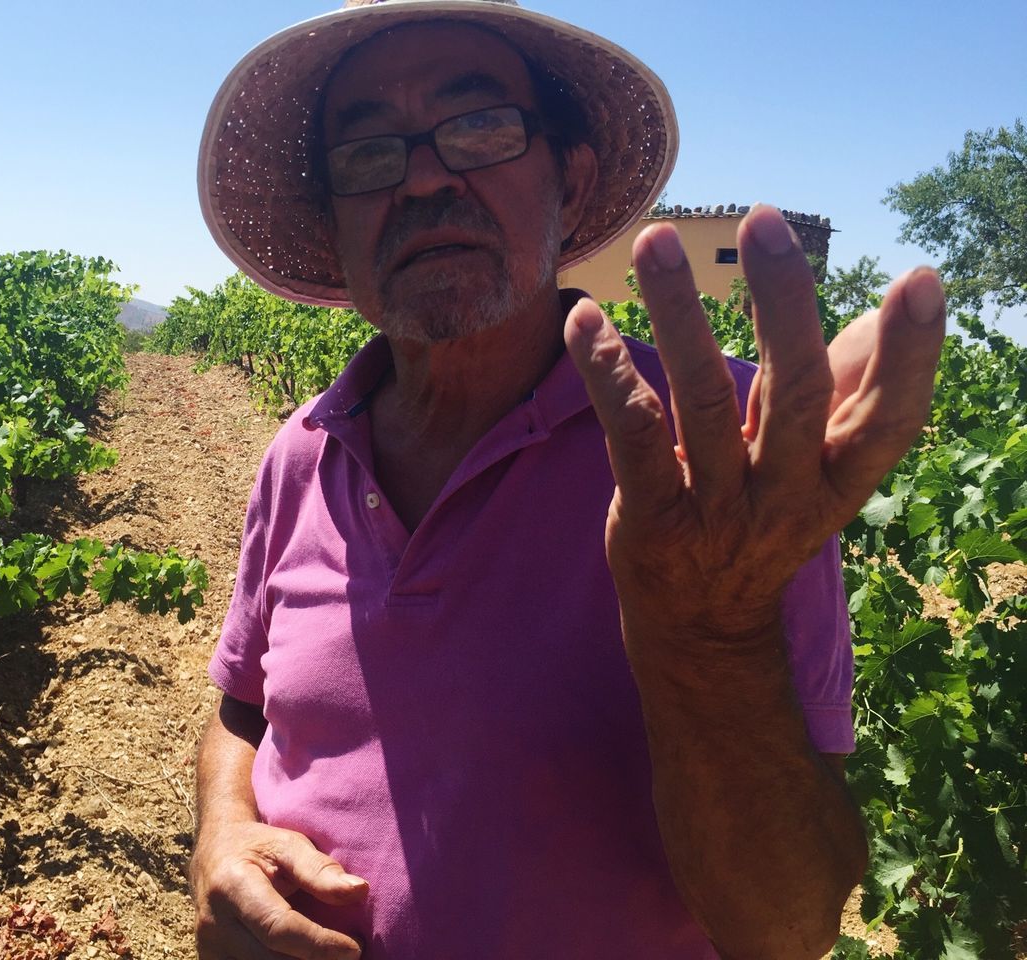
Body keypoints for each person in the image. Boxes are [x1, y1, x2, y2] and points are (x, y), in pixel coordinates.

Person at [189, 1, 946, 957]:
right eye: (369, 152)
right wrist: (219, 833)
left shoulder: (721, 464)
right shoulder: (304, 451)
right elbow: (242, 706)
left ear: (570, 176)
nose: (424, 177)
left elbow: (785, 930)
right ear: (331, 222)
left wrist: (713, 631)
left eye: (479, 127)